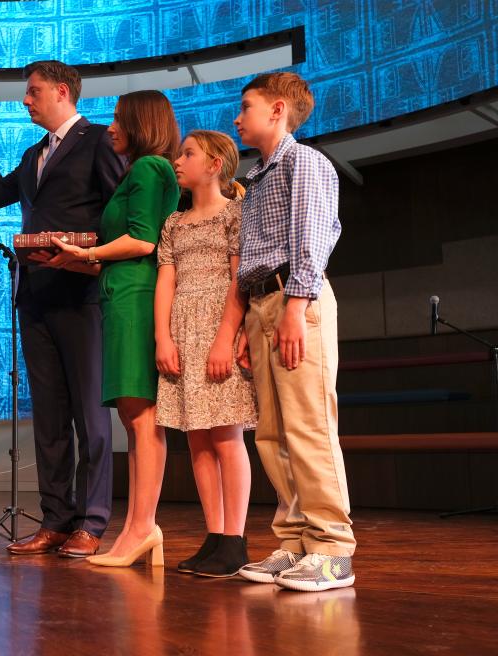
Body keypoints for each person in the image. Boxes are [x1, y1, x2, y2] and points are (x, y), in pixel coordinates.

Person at [0, 61, 125, 557]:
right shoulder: (35, 153)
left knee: (91, 418)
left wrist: (94, 254)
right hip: (34, 296)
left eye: (34, 92)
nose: (26, 100)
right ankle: (57, 518)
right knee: (50, 419)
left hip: (82, 295)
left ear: (62, 91)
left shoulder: (100, 140)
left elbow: (120, 208)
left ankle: (93, 522)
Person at [45, 90, 179, 567]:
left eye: (119, 120)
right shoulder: (141, 170)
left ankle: (141, 527)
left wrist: (90, 253)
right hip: (120, 293)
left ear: (140, 124)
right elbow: (122, 255)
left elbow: (143, 241)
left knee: (141, 420)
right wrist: (74, 260)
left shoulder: (147, 168)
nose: (111, 129)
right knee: (133, 419)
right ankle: (139, 528)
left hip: (135, 301)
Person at [233, 72, 355, 591]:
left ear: (277, 110)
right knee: (272, 432)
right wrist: (247, 319)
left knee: (308, 425)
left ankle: (332, 547)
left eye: (246, 106)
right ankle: (295, 540)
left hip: (293, 298)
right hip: (263, 302)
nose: (237, 118)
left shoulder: (303, 162)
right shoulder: (257, 178)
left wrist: (294, 306)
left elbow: (314, 235)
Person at [155, 130, 257, 578]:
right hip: (183, 331)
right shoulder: (174, 223)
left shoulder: (235, 214)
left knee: (224, 436)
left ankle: (235, 539)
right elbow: (166, 283)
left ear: (214, 164)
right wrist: (163, 337)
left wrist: (225, 337)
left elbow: (240, 279)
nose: (179, 160)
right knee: (196, 436)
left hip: (218, 324)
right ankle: (214, 535)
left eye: (189, 153)